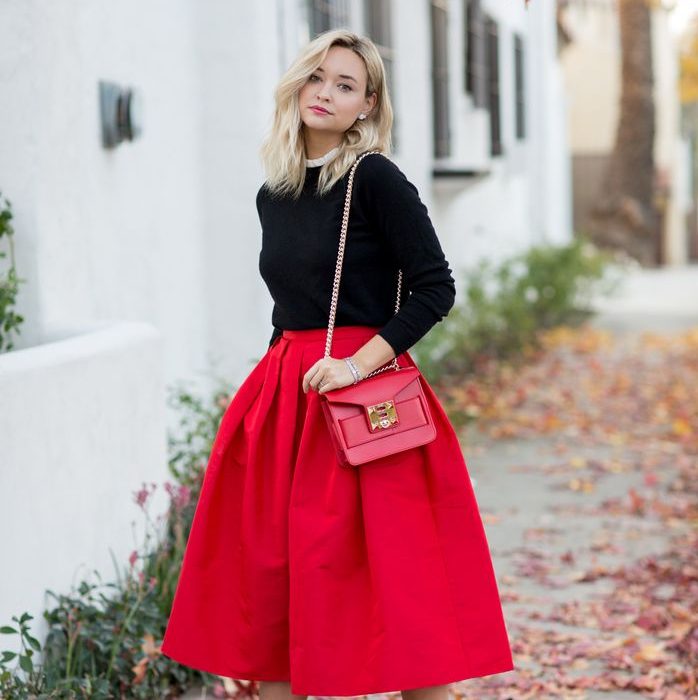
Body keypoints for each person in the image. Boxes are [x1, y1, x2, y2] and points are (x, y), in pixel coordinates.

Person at [161, 28, 514, 700]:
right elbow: (289, 307)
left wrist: (357, 367)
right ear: (296, 84)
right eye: (316, 77)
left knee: (404, 598)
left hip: (367, 403)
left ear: (367, 105)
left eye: (345, 84)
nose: (325, 93)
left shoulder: (374, 178)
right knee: (278, 586)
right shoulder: (275, 193)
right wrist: (264, 400)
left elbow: (436, 286)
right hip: (286, 402)